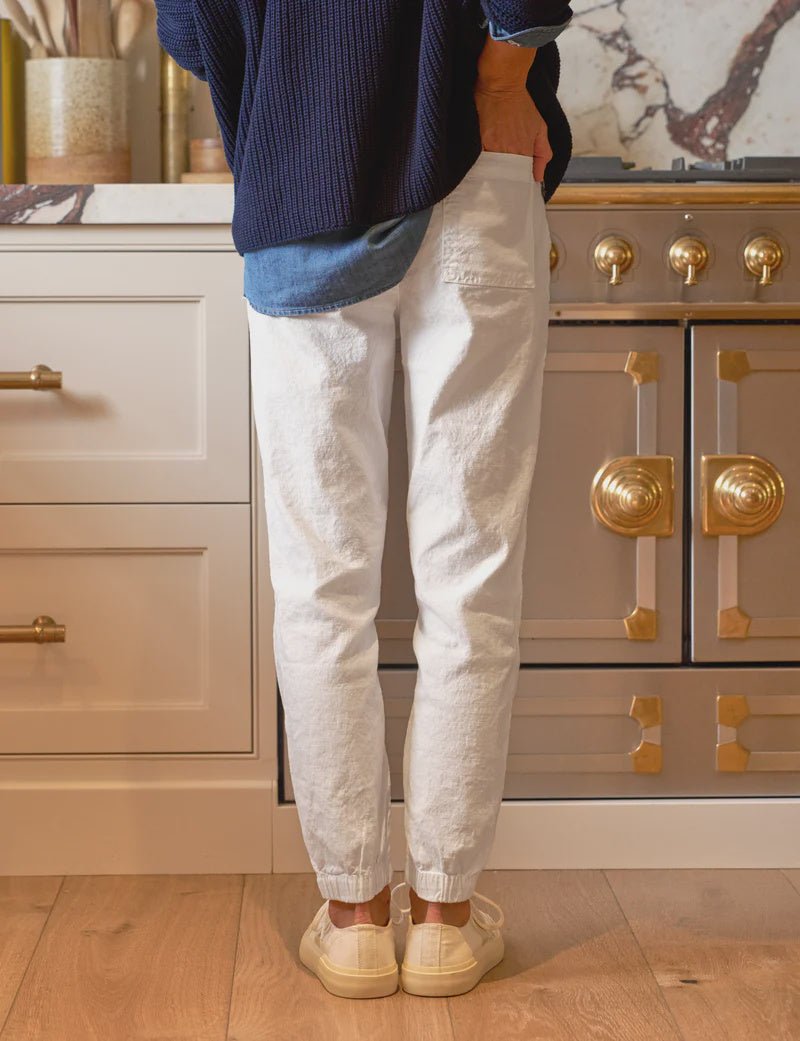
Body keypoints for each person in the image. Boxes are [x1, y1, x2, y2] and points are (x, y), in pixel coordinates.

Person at [155, 0, 572, 1000]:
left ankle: (351, 920)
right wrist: (495, 84)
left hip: (296, 188)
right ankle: (442, 920)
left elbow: (189, 27)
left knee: (320, 581)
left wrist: (278, 126)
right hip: (471, 165)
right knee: (468, 572)